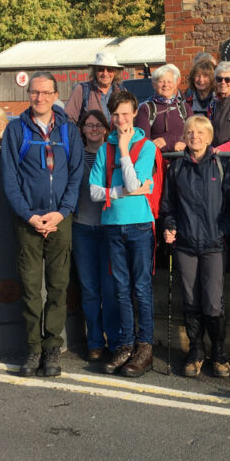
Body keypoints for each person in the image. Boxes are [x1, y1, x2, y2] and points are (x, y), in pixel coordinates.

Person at [1, 71, 85, 378]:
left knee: (59, 287)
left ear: (54, 94)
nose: (40, 97)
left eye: (45, 92)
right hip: (28, 221)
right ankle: (33, 349)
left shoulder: (68, 131)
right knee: (31, 288)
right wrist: (30, 215)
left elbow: (76, 175)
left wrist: (62, 212)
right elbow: (10, 179)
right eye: (35, 93)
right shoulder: (15, 130)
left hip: (60, 220)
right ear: (29, 95)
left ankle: (53, 349)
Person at [160, 116, 230, 378]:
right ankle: (196, 351)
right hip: (185, 245)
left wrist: (221, 231)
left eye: (200, 132)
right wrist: (170, 227)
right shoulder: (176, 168)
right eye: (190, 132)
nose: (195, 136)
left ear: (209, 136)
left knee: (213, 303)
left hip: (214, 245)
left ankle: (219, 352)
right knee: (191, 301)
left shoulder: (221, 166)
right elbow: (168, 207)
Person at [89, 89, 159, 378]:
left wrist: (123, 149)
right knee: (120, 288)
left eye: (125, 113)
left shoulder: (146, 146)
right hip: (112, 226)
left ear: (134, 113)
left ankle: (144, 347)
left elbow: (134, 182)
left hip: (140, 224)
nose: (120, 119)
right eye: (116, 114)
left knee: (140, 288)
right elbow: (94, 192)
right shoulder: (103, 148)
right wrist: (118, 192)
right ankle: (125, 344)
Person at [72, 108, 117, 363]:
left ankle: (113, 338)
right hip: (82, 229)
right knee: (89, 289)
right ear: (82, 129)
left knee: (109, 288)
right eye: (89, 125)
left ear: (106, 129)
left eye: (99, 125)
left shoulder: (111, 154)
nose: (94, 129)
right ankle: (95, 341)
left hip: (108, 228)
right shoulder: (75, 155)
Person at [135, 63, 188, 153]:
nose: (165, 85)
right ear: (154, 84)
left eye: (169, 81)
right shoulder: (146, 109)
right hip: (157, 162)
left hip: (183, 164)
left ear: (176, 84)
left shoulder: (185, 108)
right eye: (161, 81)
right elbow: (143, 142)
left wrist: (168, 142)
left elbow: (193, 137)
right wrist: (174, 145)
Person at [65, 51, 124, 124]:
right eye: (101, 69)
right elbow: (68, 120)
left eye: (109, 69)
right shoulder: (82, 90)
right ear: (95, 71)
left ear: (115, 72)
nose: (105, 73)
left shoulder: (121, 91)